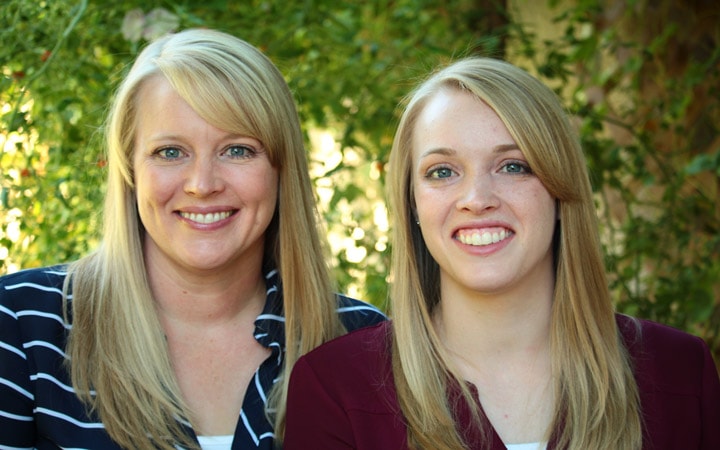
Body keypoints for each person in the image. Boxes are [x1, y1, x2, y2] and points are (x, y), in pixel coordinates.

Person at [283, 57, 720, 450]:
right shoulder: (335, 389)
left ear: (560, 190)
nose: (477, 198)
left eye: (513, 166)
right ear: (411, 202)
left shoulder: (680, 374)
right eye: (442, 172)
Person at [0, 28, 385, 450]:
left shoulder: (364, 344)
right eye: (170, 152)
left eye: (237, 150)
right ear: (130, 169)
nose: (202, 185)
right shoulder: (20, 326)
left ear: (281, 168)